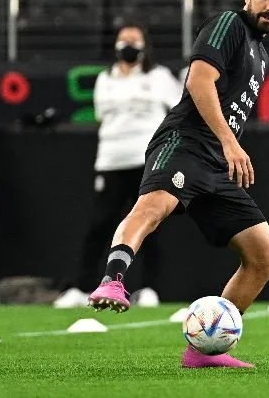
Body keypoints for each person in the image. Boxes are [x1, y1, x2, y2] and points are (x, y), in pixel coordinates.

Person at [87, 0, 269, 369]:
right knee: (155, 205)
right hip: (185, 142)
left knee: (265, 256)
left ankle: (203, 351)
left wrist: (226, 149)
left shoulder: (261, 51)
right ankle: (113, 280)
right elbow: (199, 81)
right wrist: (230, 142)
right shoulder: (228, 25)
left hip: (217, 163)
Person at [55, 24, 182, 309]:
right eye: (124, 40)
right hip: (111, 160)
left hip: (148, 161)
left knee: (150, 225)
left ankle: (150, 288)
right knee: (100, 225)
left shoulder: (159, 76)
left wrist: (136, 103)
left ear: (145, 45)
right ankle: (81, 286)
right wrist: (140, 100)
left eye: (134, 41)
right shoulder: (105, 79)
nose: (129, 45)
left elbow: (176, 109)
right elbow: (103, 111)